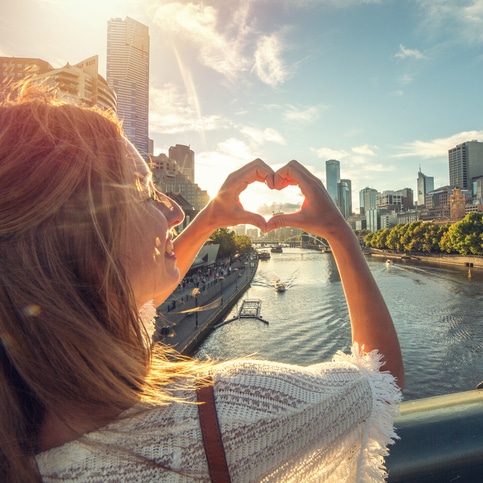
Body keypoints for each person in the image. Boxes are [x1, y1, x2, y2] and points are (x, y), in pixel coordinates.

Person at [0, 82, 403, 483]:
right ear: (86, 237)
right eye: (145, 191)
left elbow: (142, 298)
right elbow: (381, 384)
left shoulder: (24, 424)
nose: (174, 211)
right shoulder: (220, 412)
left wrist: (210, 217)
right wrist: (338, 230)